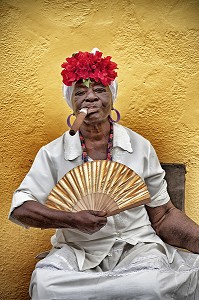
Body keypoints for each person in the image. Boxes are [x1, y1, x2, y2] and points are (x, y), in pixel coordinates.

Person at [9, 48, 199, 300]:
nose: (90, 97)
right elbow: (22, 207)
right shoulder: (52, 153)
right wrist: (71, 219)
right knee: (48, 285)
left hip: (137, 246)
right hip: (78, 249)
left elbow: (163, 215)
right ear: (71, 102)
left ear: (112, 97)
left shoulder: (139, 146)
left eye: (99, 89)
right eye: (80, 91)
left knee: (149, 286)